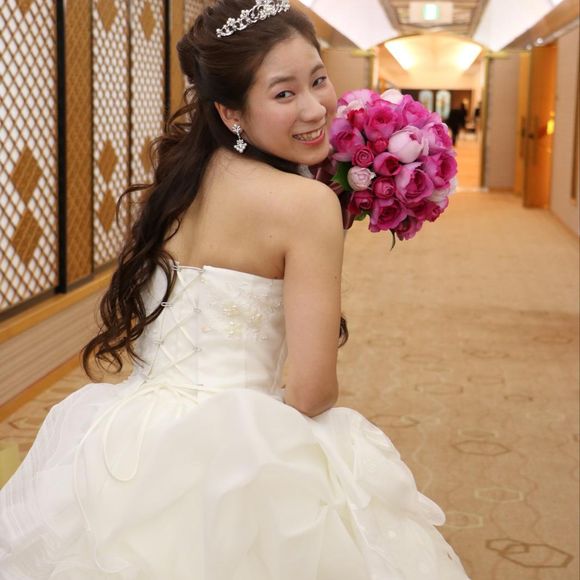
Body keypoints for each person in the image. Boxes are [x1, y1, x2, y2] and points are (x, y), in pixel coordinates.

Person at [0, 1, 470, 578]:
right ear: (230, 111)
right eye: (284, 93)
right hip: (240, 449)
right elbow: (313, 390)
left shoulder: (175, 183)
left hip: (126, 442)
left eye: (318, 79)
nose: (315, 108)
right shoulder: (307, 205)